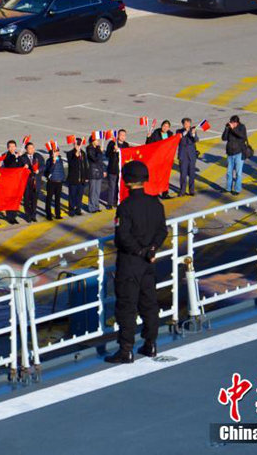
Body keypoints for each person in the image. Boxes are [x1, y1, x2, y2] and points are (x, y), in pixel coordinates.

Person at [105, 161, 167, 364]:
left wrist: (139, 250)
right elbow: (162, 231)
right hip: (149, 263)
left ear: (127, 181)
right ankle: (150, 344)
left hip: (130, 263)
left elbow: (121, 237)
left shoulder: (125, 207)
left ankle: (126, 350)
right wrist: (151, 249)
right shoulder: (156, 204)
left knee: (126, 307)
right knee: (149, 304)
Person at [221, 116, 248, 195]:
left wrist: (233, 129)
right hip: (230, 153)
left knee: (238, 173)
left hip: (239, 153)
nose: (231, 124)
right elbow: (224, 138)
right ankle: (228, 188)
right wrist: (226, 129)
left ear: (237, 123)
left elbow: (242, 136)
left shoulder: (242, 127)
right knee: (229, 172)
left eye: (233, 122)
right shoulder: (229, 128)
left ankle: (237, 189)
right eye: (231, 122)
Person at [19, 142, 44, 222]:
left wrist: (38, 170)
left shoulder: (38, 156)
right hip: (26, 182)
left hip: (36, 181)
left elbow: (43, 166)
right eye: (29, 148)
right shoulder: (22, 157)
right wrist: (23, 167)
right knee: (26, 200)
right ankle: (28, 216)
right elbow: (19, 168)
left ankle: (33, 215)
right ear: (26, 149)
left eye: (32, 148)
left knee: (34, 200)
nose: (31, 150)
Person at [105, 130, 129, 208]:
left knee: (120, 187)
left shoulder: (126, 145)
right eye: (121, 135)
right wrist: (114, 150)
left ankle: (117, 201)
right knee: (112, 186)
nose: (123, 136)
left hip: (122, 170)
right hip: (113, 168)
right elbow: (107, 154)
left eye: (124, 135)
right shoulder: (112, 143)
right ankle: (110, 203)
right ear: (118, 135)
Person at [66, 138, 90, 216]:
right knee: (72, 195)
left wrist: (86, 176)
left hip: (82, 179)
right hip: (73, 178)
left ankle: (78, 209)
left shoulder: (83, 153)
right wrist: (76, 156)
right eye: (76, 144)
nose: (78, 145)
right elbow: (72, 165)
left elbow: (85, 165)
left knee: (79, 195)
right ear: (74, 144)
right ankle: (71, 210)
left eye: (79, 143)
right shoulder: (70, 153)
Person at [1, 140, 22, 224]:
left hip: (17, 180)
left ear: (15, 147)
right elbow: (9, 164)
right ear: (7, 148)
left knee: (16, 199)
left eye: (13, 146)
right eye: (10, 146)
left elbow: (21, 164)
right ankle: (10, 217)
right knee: (9, 199)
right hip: (8, 180)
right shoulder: (5, 155)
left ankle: (14, 215)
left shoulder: (18, 154)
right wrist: (15, 157)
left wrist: (19, 158)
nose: (12, 148)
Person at [176, 118, 199, 197]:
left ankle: (191, 190)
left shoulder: (193, 130)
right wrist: (186, 131)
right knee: (183, 175)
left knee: (192, 174)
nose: (187, 125)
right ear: (183, 124)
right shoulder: (179, 131)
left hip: (191, 156)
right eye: (185, 123)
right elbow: (180, 139)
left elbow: (196, 139)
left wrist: (193, 134)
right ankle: (182, 191)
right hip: (183, 156)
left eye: (188, 123)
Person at [43, 146, 65, 220]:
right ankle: (48, 214)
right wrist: (53, 162)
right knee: (49, 199)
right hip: (51, 182)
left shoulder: (60, 160)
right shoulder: (49, 161)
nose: (55, 153)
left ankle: (57, 214)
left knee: (57, 199)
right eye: (54, 151)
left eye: (56, 151)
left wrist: (62, 178)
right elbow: (49, 171)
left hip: (59, 182)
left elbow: (61, 170)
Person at [86, 135, 105, 212]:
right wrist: (100, 152)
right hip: (93, 172)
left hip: (99, 171)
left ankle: (96, 206)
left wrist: (103, 170)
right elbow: (94, 159)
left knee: (97, 191)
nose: (98, 141)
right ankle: (91, 207)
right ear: (93, 141)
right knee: (92, 191)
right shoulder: (89, 149)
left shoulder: (98, 148)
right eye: (97, 140)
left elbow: (100, 161)